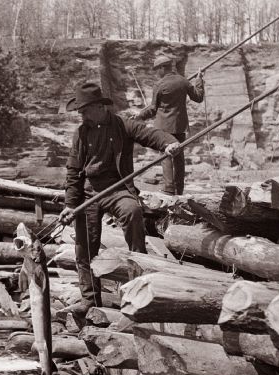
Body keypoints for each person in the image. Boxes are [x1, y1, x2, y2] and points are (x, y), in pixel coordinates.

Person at [58, 81, 181, 311]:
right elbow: (73, 172)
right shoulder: (81, 133)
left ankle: (139, 284)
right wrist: (69, 204)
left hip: (118, 188)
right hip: (88, 192)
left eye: (84, 110)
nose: (81, 115)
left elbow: (149, 134)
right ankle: (90, 300)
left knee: (132, 211)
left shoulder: (122, 125)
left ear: (98, 107)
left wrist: (169, 144)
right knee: (84, 245)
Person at [134, 54, 204, 195]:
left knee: (165, 156)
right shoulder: (183, 82)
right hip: (179, 126)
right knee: (179, 157)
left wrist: (139, 115)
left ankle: (168, 188)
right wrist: (199, 80)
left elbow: (153, 109)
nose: (156, 73)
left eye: (157, 69)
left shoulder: (159, 85)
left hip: (163, 128)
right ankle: (179, 189)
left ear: (162, 68)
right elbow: (198, 97)